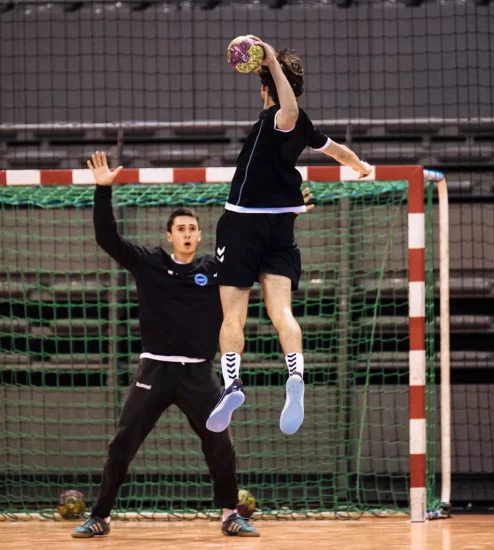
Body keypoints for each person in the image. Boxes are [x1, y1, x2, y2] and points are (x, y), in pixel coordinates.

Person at [71, 151, 268, 538]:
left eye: (193, 228)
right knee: (122, 443)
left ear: (199, 233)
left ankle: (231, 513)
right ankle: (100, 516)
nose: (188, 233)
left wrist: (287, 212)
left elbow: (257, 256)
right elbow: (106, 238)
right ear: (169, 235)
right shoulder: (149, 262)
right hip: (155, 369)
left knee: (221, 447)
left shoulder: (214, 269)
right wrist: (102, 190)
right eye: (181, 228)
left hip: (199, 372)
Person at [206, 36, 373, 436]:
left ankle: (232, 385)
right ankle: (294, 376)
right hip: (281, 225)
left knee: (234, 315)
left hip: (243, 224)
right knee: (282, 313)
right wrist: (361, 165)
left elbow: (289, 108)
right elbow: (337, 152)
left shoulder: (280, 119)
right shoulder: (306, 126)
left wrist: (270, 61)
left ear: (268, 87)